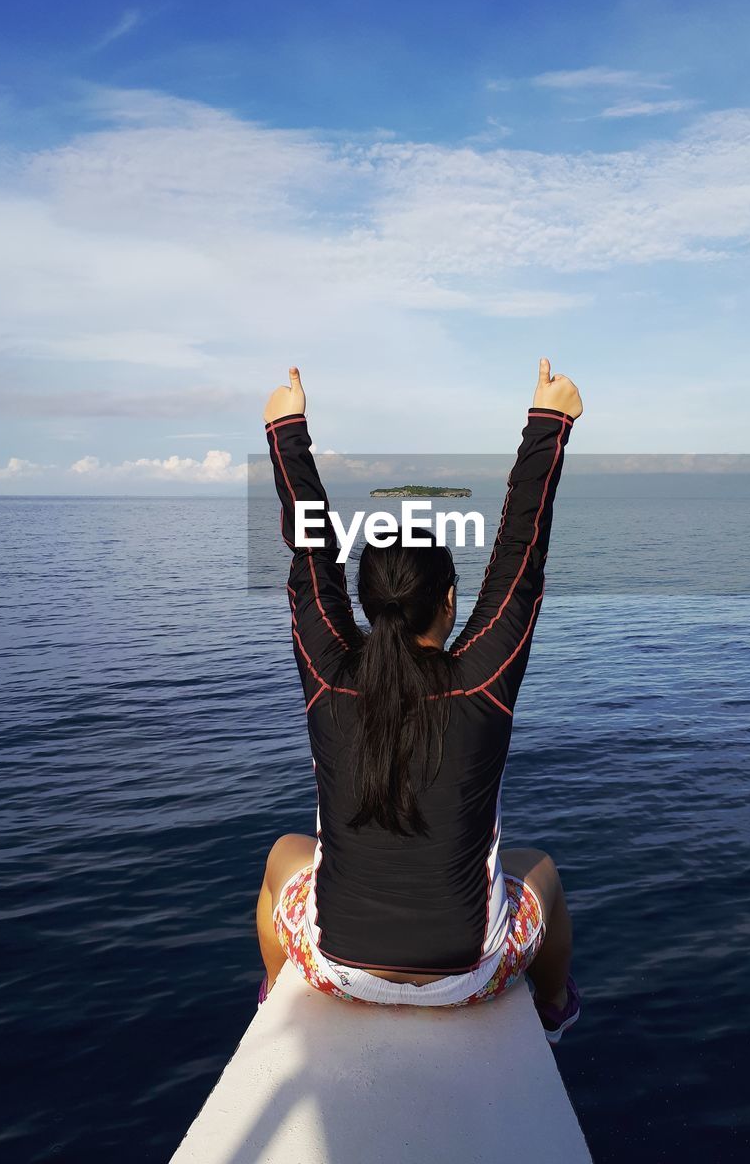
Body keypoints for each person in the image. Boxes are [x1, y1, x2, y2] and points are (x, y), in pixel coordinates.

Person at [255, 358, 584, 1043]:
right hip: (469, 975)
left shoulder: (331, 680)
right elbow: (520, 558)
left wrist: (288, 429)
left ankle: (273, 1002)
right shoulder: (480, 682)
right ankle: (555, 1012)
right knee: (541, 872)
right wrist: (548, 423)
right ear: (451, 601)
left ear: (368, 606)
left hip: (336, 968)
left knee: (283, 854)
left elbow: (311, 562)